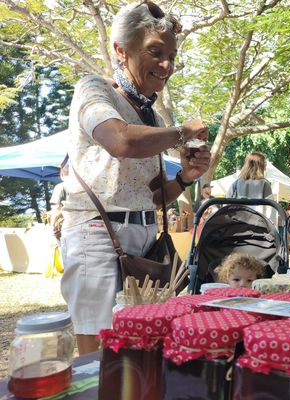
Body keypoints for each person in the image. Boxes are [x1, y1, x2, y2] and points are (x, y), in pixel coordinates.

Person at [60, 1, 211, 355]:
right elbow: (121, 140)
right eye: (155, 52)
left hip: (144, 243)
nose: (166, 65)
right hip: (98, 234)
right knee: (99, 348)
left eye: (172, 56)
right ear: (120, 50)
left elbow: (154, 198)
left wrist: (186, 178)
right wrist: (180, 132)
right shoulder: (94, 89)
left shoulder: (151, 117)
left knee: (139, 344)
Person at [227, 151, 274, 223]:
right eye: (264, 165)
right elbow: (270, 209)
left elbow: (227, 203)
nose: (265, 167)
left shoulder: (236, 183)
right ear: (260, 166)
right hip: (258, 225)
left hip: (238, 223)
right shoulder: (264, 184)